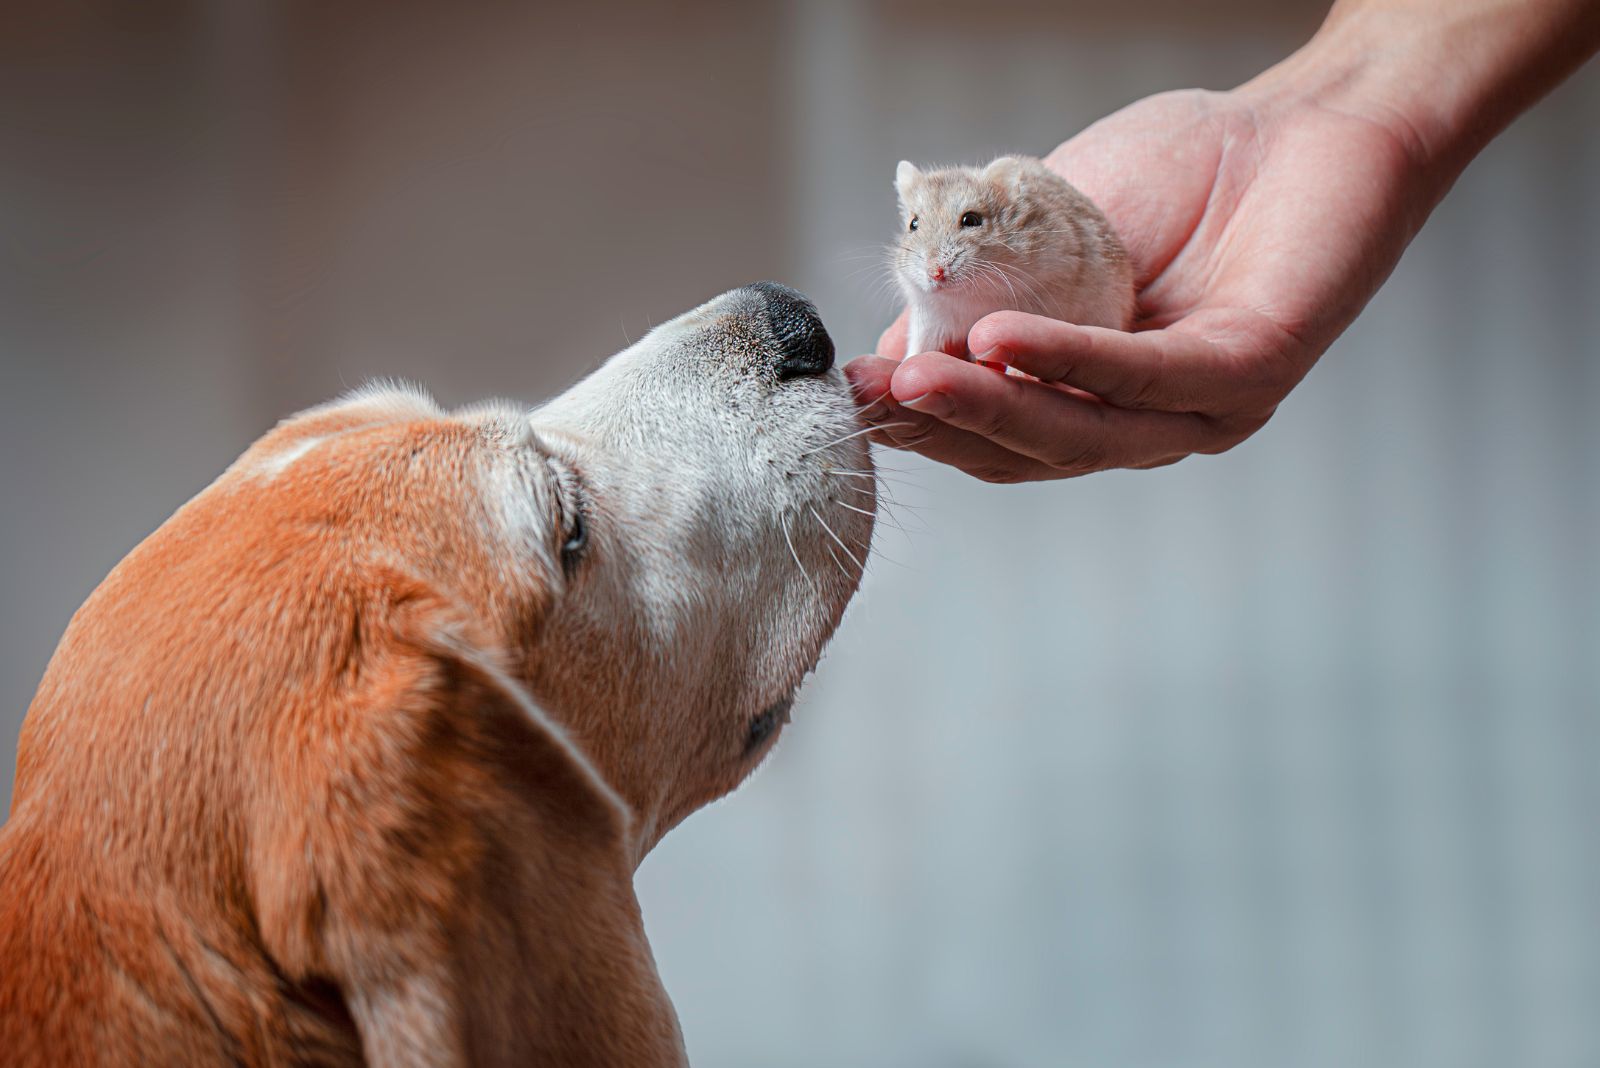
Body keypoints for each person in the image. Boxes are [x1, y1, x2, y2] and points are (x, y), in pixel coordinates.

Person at [846, 0, 1600, 483]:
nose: (936, 257)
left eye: (968, 226)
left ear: (1002, 214)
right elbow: (927, 307)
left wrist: (1362, 112)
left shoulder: (1032, 226)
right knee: (929, 360)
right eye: (918, 231)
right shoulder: (928, 256)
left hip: (1076, 284)